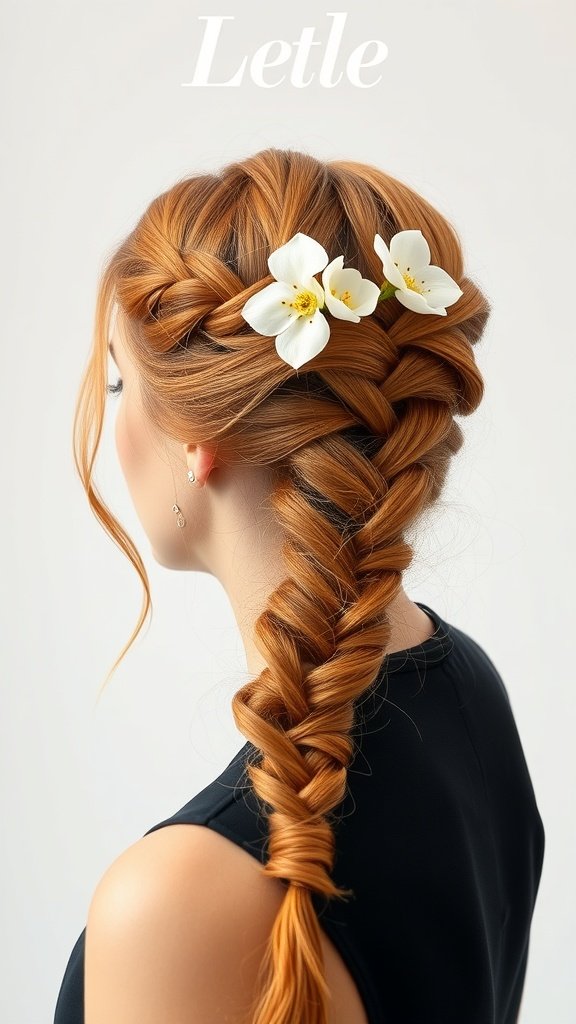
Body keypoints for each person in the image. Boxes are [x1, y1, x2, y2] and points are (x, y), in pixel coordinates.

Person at [53, 147, 545, 1024]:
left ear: (202, 439)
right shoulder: (467, 685)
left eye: (124, 382)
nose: (113, 423)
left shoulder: (172, 907)